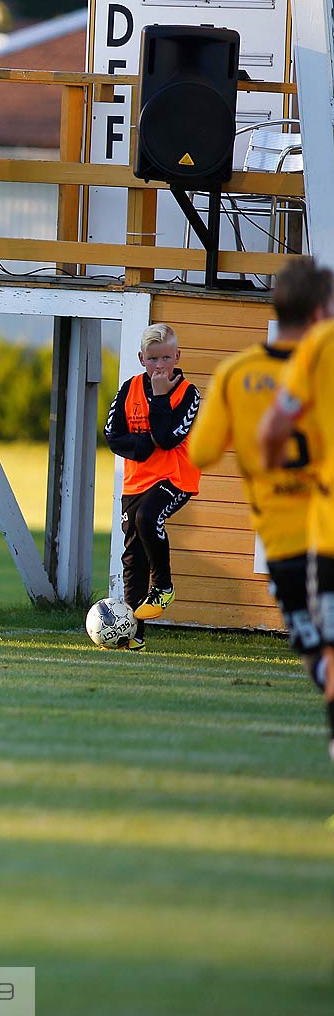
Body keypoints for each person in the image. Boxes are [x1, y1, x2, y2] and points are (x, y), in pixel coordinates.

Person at [196, 259, 334, 761]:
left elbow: (202, 453)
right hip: (322, 525)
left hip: (292, 539)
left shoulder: (239, 372)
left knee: (320, 654)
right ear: (321, 310)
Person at [104, 322, 202, 648]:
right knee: (133, 556)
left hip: (175, 479)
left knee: (149, 517)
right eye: (152, 359)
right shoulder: (128, 388)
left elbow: (169, 437)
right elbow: (112, 434)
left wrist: (160, 399)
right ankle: (133, 635)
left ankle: (163, 585)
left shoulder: (188, 393)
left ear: (177, 356)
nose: (159, 366)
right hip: (135, 483)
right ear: (141, 358)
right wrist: (140, 447)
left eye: (165, 358)